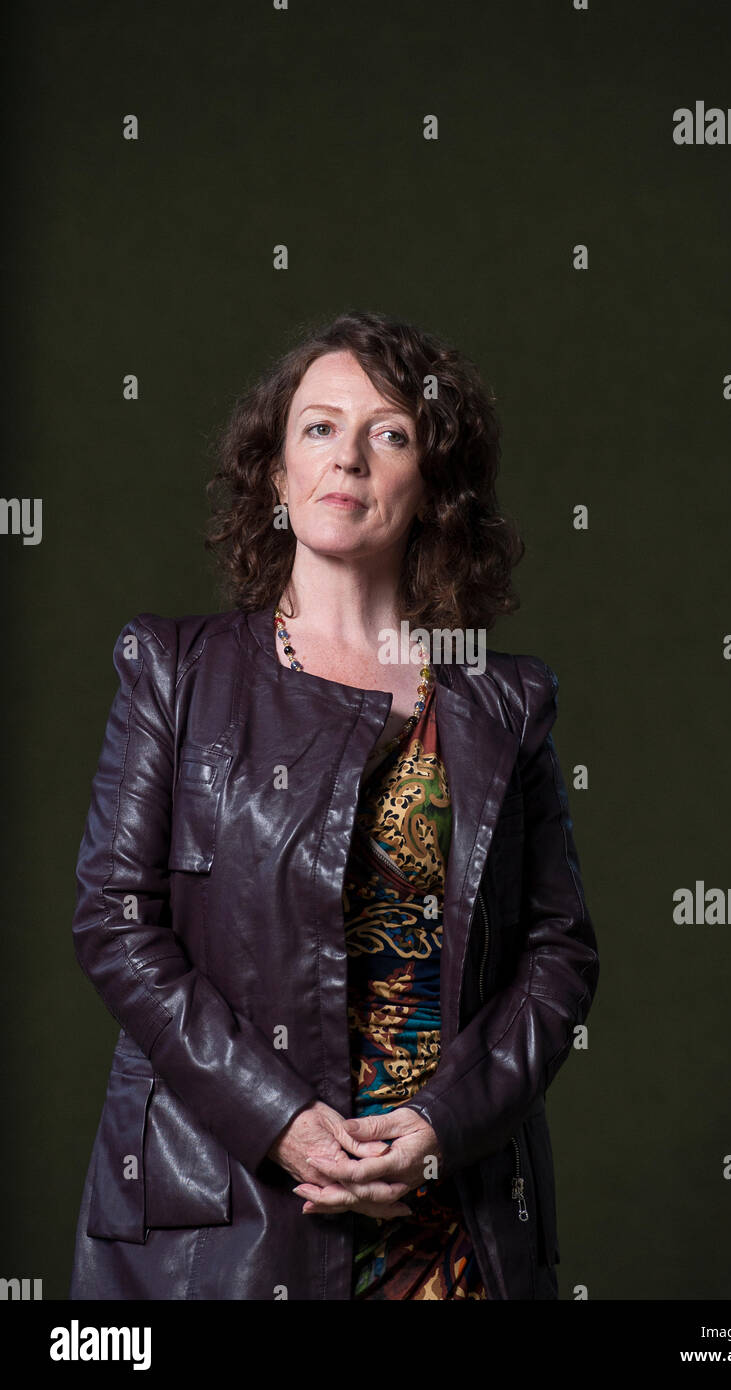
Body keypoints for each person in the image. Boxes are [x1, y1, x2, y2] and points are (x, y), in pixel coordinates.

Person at [69, 308, 600, 1300]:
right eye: (318, 427)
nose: (347, 457)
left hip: (448, 1218)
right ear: (275, 472)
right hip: (227, 1213)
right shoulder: (173, 672)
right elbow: (114, 920)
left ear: (433, 485)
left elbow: (559, 950)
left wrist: (449, 1121)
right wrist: (277, 1117)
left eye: (388, 434)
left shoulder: (502, 698)